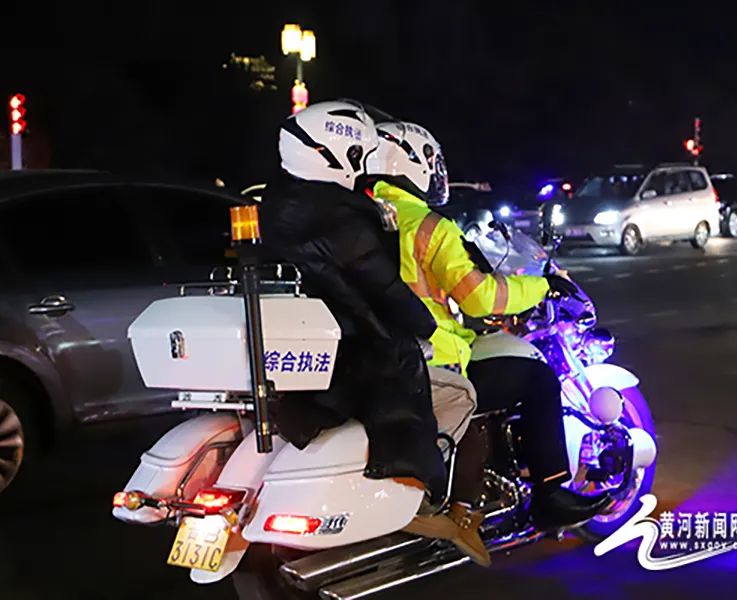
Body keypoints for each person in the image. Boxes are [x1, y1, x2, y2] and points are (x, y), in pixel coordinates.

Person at [366, 119, 611, 534]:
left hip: (384, 359)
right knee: (539, 381)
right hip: (437, 361)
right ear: (411, 165)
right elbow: (479, 297)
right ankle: (550, 496)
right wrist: (542, 286)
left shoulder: (366, 218)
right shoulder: (428, 226)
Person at [258, 102, 481, 559]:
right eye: (359, 152)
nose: (364, 163)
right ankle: (417, 498)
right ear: (338, 154)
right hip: (360, 353)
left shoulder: (279, 203)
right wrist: (425, 326)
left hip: (321, 346)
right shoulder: (342, 217)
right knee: (462, 395)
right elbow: (384, 288)